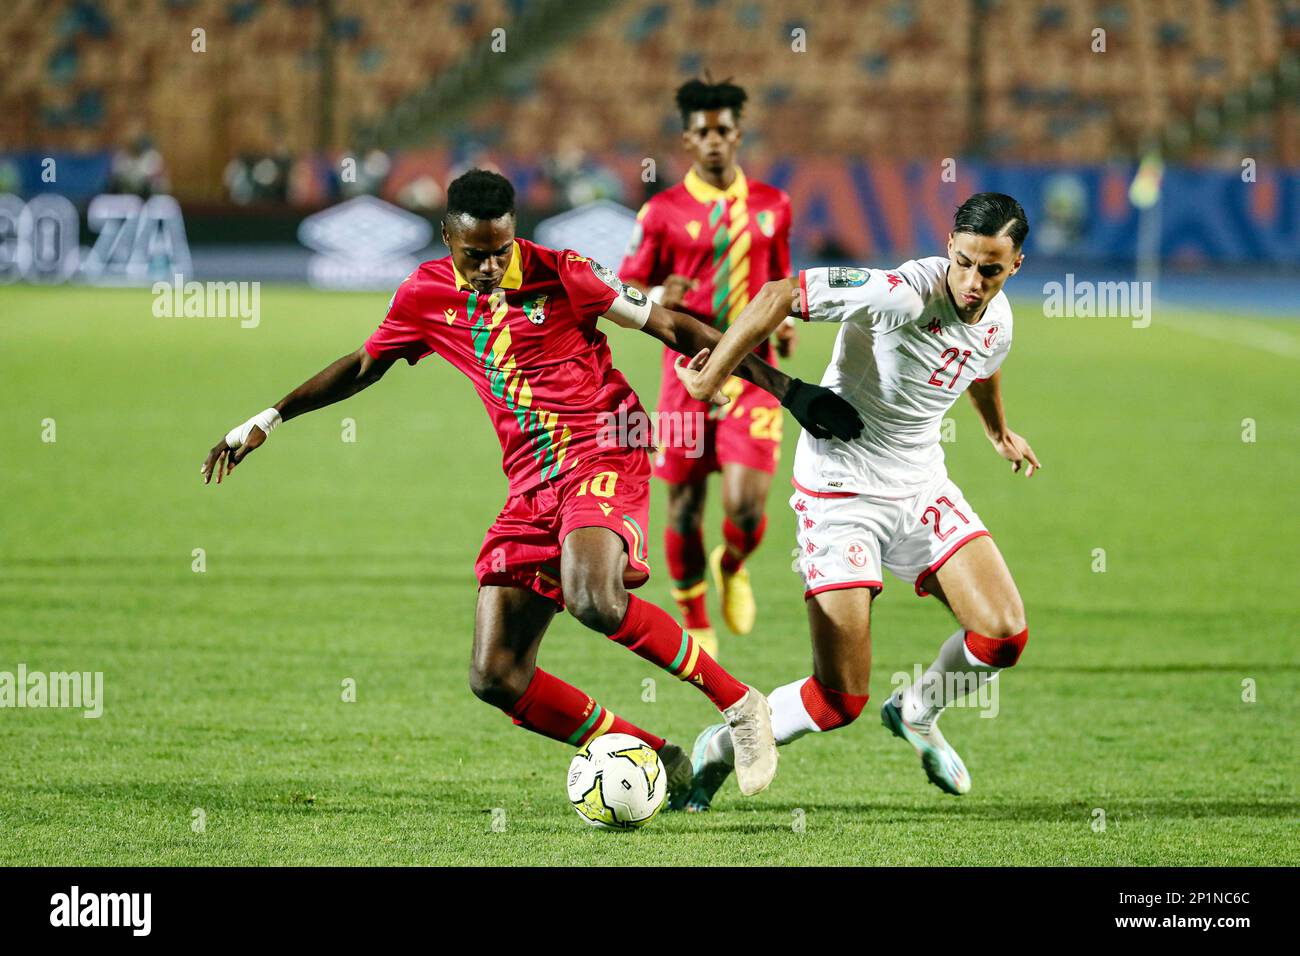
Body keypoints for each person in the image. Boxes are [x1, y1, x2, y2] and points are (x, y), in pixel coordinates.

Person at [200, 169, 863, 804]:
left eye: (500, 250)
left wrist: (790, 391)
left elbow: (674, 324)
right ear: (447, 241)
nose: (490, 267)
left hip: (608, 446)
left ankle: (740, 705)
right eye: (474, 255)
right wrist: (272, 415)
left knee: (594, 599)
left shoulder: (566, 273)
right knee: (496, 676)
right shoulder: (426, 295)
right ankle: (651, 752)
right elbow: (366, 364)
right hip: (532, 482)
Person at [672, 193, 1041, 809]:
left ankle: (917, 712)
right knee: (839, 699)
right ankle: (719, 744)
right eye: (967, 263)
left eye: (992, 270)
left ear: (1016, 267)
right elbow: (777, 296)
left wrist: (998, 432)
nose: (975, 282)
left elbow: (981, 365)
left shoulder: (999, 318)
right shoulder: (899, 292)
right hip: (841, 492)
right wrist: (712, 380)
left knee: (1003, 636)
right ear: (950, 245)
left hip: (922, 486)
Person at [620, 77, 796, 660]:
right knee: (685, 505)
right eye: (704, 133)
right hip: (685, 377)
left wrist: (788, 321)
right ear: (687, 142)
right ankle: (694, 609)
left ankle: (733, 561)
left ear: (738, 135)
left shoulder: (774, 206)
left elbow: (779, 276)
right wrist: (654, 290)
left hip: (753, 374)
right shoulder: (662, 211)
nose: (715, 140)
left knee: (746, 506)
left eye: (724, 130)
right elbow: (622, 288)